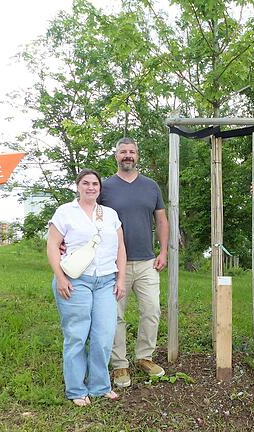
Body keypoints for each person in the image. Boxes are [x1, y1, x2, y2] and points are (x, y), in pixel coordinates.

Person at [47, 168, 126, 406]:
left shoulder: (110, 214)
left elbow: (121, 248)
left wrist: (121, 279)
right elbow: (53, 246)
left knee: (103, 336)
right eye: (85, 183)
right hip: (75, 281)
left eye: (95, 184)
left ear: (100, 188)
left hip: (105, 281)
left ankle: (100, 386)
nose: (90, 187)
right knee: (77, 335)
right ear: (78, 186)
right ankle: (76, 390)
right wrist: (60, 278)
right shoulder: (65, 212)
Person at [100, 137, 169, 388]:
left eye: (131, 151)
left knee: (151, 311)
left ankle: (144, 357)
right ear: (116, 156)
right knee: (115, 315)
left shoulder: (151, 186)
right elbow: (91, 219)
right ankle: (119, 365)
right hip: (114, 265)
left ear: (137, 156)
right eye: (122, 152)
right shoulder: (105, 187)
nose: (127, 155)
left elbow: (161, 220)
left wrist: (163, 252)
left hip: (148, 262)